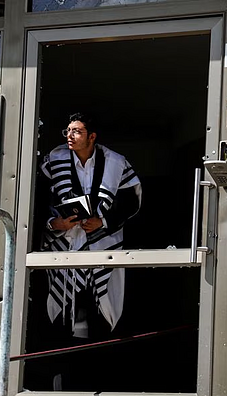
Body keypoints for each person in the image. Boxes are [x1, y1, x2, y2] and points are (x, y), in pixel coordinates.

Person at [40, 112, 142, 342]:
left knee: (99, 313)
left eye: (77, 131)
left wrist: (103, 221)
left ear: (92, 136)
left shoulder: (115, 162)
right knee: (63, 317)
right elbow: (35, 200)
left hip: (103, 244)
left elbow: (131, 201)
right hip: (64, 245)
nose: (70, 136)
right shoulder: (53, 161)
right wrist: (54, 223)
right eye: (68, 131)